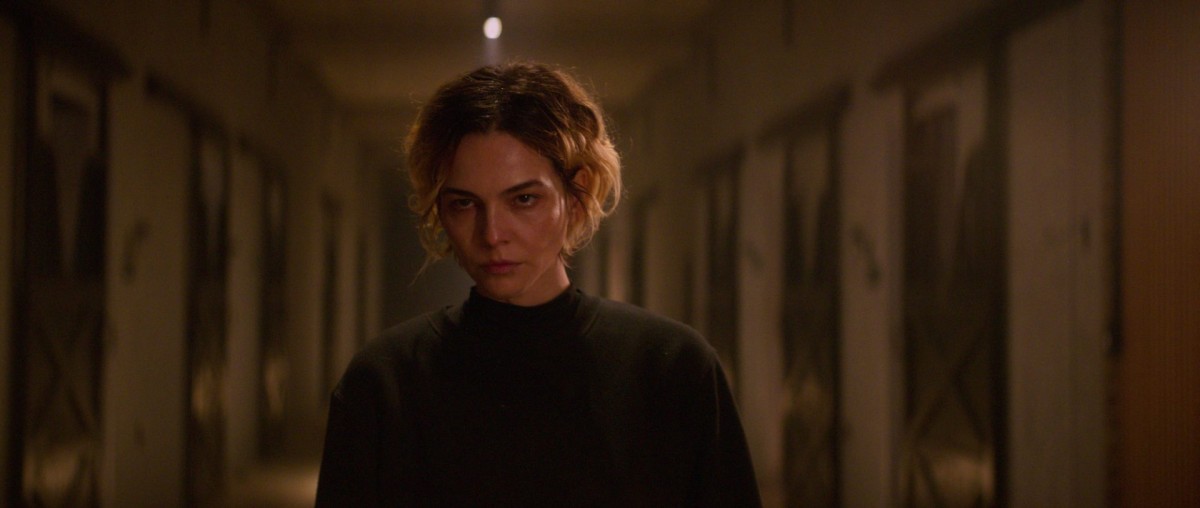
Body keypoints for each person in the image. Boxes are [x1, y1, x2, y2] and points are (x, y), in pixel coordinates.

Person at [315, 62, 761, 507]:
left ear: (576, 196)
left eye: (524, 199)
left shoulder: (672, 371)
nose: (492, 234)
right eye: (465, 204)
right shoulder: (385, 384)